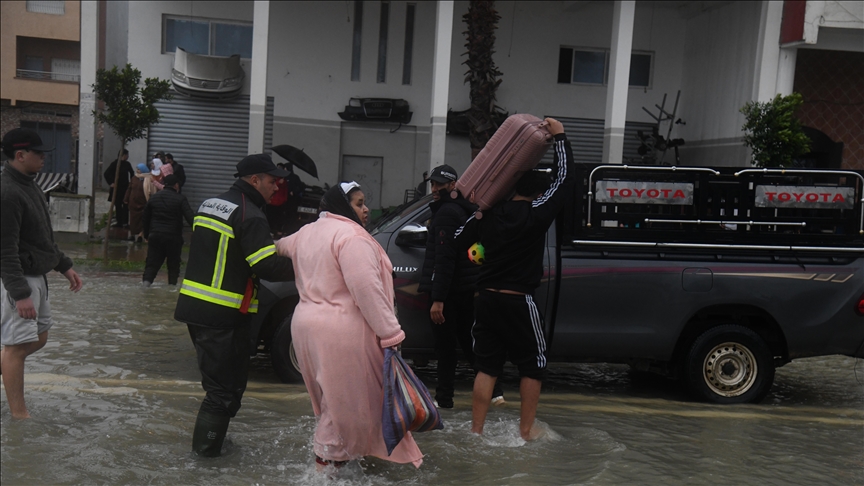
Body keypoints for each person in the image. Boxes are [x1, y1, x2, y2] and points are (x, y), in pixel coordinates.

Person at [275, 182, 423, 470]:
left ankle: (339, 464)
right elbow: (367, 290)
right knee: (344, 406)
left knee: (335, 401)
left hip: (305, 327)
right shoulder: (352, 237)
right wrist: (391, 333)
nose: (365, 209)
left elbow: (279, 246)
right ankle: (324, 472)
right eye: (358, 203)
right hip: (341, 331)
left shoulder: (308, 232)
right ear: (342, 206)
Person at [455, 118, 574, 441]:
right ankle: (525, 431)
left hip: (487, 299)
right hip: (518, 299)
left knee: (487, 367)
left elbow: (460, 239)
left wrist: (478, 242)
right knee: (532, 365)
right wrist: (561, 138)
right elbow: (564, 181)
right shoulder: (536, 215)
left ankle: (476, 431)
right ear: (536, 193)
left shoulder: (488, 215)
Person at [174, 153, 294, 457]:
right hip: (222, 314)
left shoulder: (209, 204)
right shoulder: (249, 214)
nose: (276, 187)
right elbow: (265, 266)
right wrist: (308, 264)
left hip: (196, 307)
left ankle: (214, 443)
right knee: (222, 392)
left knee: (224, 386)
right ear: (254, 180)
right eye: (271, 180)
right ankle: (205, 455)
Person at [0, 128, 83, 419]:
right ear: (20, 156)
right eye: (38, 153)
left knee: (40, 336)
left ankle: (7, 363)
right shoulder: (7, 192)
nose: (44, 158)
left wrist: (63, 265)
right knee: (16, 347)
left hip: (38, 274)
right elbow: (5, 249)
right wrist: (19, 293)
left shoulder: (30, 184)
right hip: (20, 279)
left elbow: (40, 236)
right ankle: (19, 416)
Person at [418, 164, 503, 409]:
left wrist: (437, 298)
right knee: (469, 344)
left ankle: (444, 400)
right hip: (465, 289)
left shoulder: (445, 213)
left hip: (449, 293)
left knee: (445, 349)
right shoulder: (465, 209)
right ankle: (495, 393)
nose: (434, 189)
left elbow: (443, 258)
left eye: (439, 184)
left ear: (453, 185)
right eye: (432, 184)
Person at [141, 174, 193, 286]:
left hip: (155, 236)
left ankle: (145, 287)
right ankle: (171, 289)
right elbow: (190, 218)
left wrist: (146, 235)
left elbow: (145, 218)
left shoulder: (154, 198)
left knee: (152, 263)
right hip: (173, 237)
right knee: (173, 265)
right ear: (176, 185)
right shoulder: (180, 199)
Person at [103, 148, 134, 228]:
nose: (128, 157)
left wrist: (131, 183)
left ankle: (125, 222)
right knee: (118, 205)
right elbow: (106, 173)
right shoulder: (115, 163)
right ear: (123, 155)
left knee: (125, 205)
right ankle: (119, 222)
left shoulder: (127, 164)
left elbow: (132, 173)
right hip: (117, 188)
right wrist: (111, 183)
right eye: (127, 155)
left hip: (125, 188)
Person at [125, 163, 149, 243]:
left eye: (139, 169)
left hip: (143, 202)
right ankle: (132, 234)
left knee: (142, 220)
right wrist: (126, 198)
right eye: (137, 169)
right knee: (133, 219)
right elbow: (129, 188)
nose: (137, 171)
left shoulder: (148, 178)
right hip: (133, 202)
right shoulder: (134, 178)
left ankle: (140, 235)